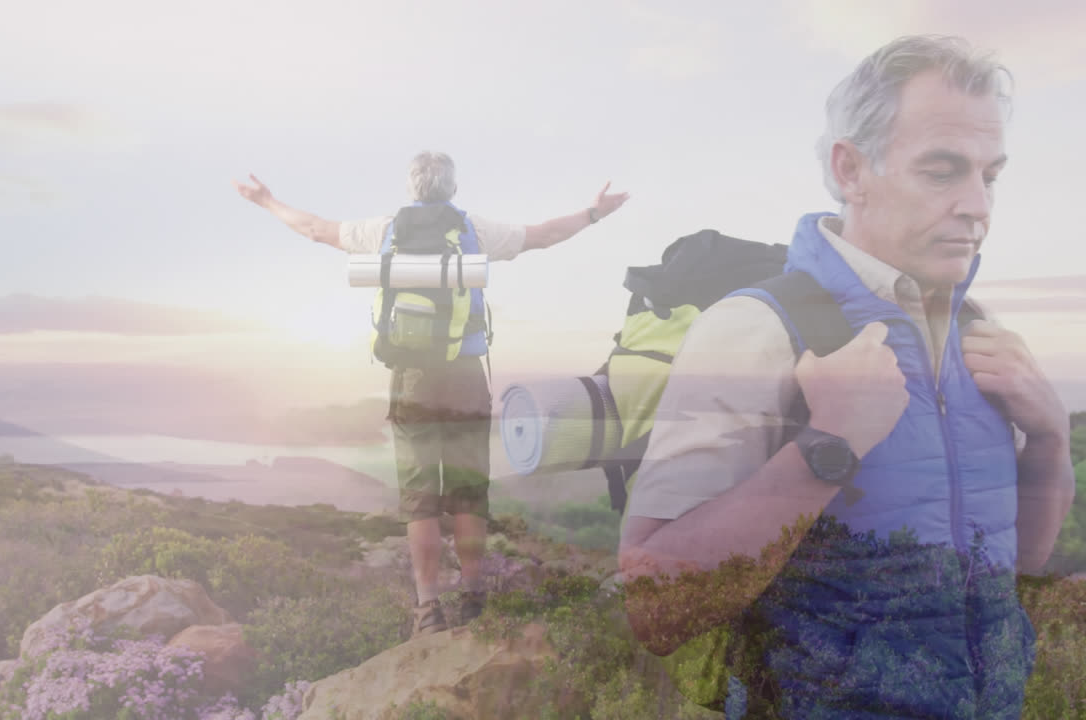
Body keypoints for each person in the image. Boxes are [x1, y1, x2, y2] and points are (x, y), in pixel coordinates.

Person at [619, 35, 1075, 718]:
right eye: (943, 170)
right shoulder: (757, 330)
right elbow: (654, 612)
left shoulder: (977, 333)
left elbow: (1010, 573)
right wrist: (827, 444)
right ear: (851, 169)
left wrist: (1048, 443)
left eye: (991, 175)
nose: (979, 206)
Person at [235, 152, 629, 637]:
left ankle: (426, 609)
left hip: (411, 378)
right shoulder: (475, 230)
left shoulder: (384, 230)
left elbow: (315, 228)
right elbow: (543, 235)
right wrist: (593, 213)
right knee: (467, 493)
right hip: (464, 376)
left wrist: (267, 201)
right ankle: (473, 597)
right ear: (452, 187)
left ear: (412, 187)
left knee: (420, 498)